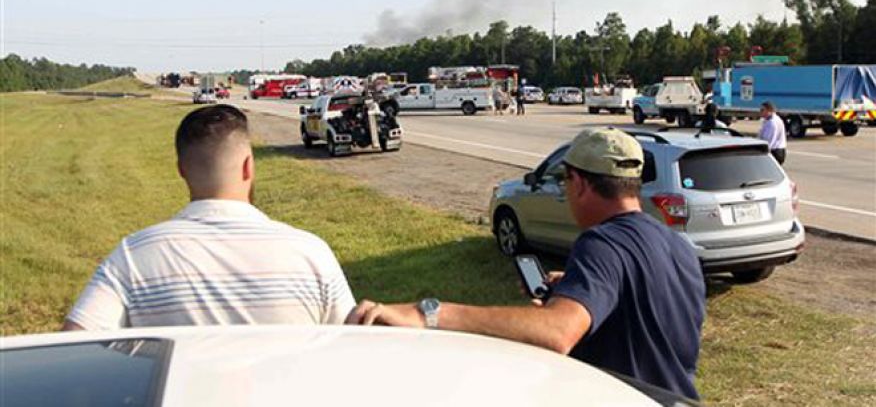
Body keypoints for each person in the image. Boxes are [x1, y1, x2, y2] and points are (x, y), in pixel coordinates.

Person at [347, 128, 706, 400]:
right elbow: (649, 307)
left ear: (578, 182)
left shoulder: (601, 243)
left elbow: (557, 333)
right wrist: (577, 285)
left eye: (565, 182)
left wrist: (430, 314)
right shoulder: (678, 245)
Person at [63, 105, 355, 331]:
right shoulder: (310, 252)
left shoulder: (133, 255)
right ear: (248, 167)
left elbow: (75, 347)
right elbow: (351, 346)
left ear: (181, 170)